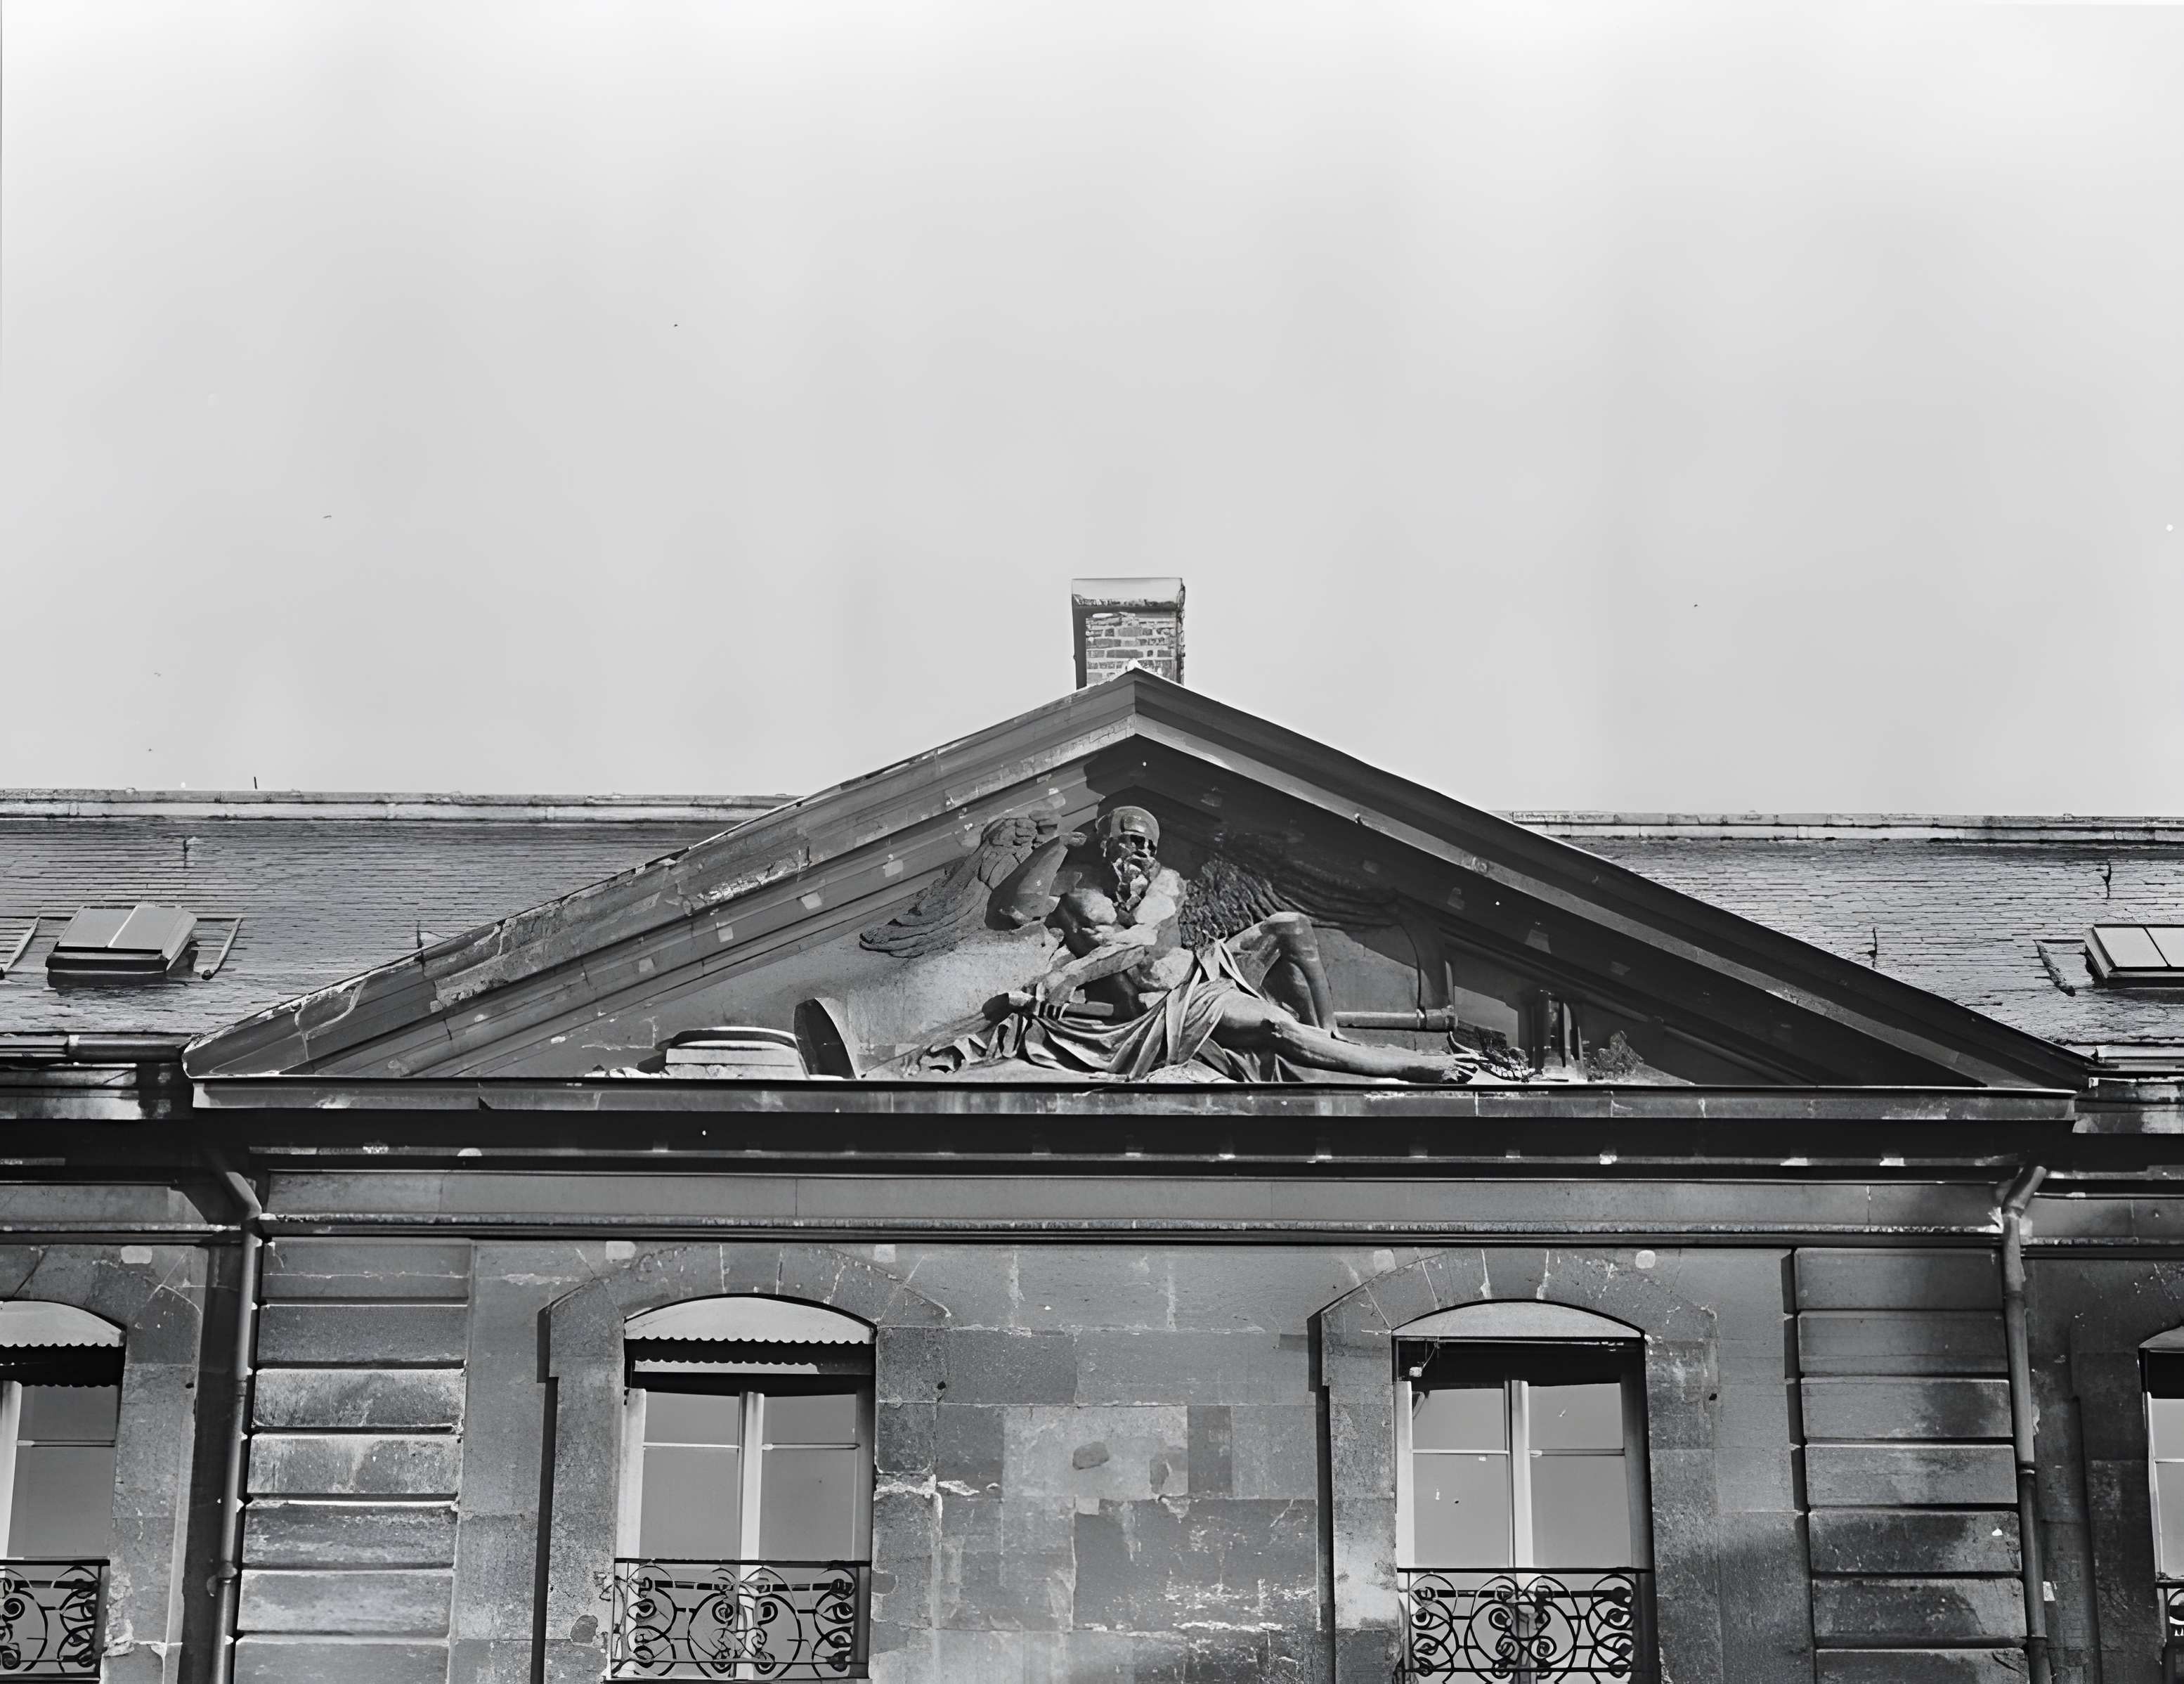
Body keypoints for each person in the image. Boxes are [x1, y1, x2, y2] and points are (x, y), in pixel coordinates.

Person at [923, 806, 1474, 1084]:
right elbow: (1018, 910)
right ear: (1105, 840)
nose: (1141, 850)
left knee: (1280, 1018)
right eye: (1130, 840)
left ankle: (1394, 1064)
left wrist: (1067, 976)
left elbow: (1141, 941)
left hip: (1190, 991)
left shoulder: (1165, 884)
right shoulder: (1078, 897)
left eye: (1149, 844)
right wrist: (1060, 848)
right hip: (1127, 1016)